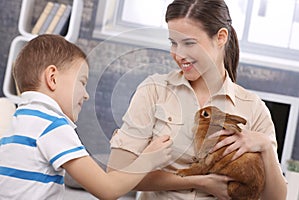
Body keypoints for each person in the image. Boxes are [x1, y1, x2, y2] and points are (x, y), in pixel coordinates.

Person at [107, 0, 287, 199]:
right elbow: (116, 174)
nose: (178, 54)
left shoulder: (252, 108)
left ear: (220, 37)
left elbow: (275, 198)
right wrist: (199, 181)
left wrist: (265, 146)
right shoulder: (154, 91)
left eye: (189, 43)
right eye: (173, 43)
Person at [0, 34, 173, 200]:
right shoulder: (53, 126)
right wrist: (149, 159)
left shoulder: (18, 121)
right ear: (52, 78)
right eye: (82, 82)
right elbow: (108, 190)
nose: (86, 95)